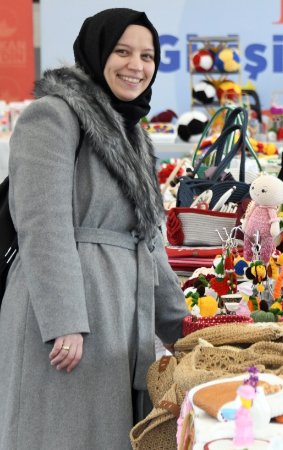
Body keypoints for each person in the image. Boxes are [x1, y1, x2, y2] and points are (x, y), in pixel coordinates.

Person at [0, 9, 187, 449]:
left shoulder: (132, 133)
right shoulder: (53, 116)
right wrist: (64, 320)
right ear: (96, 52)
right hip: (65, 316)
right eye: (122, 51)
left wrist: (187, 331)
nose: (136, 66)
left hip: (119, 316)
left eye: (147, 55)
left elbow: (148, 239)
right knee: (58, 433)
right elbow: (40, 223)